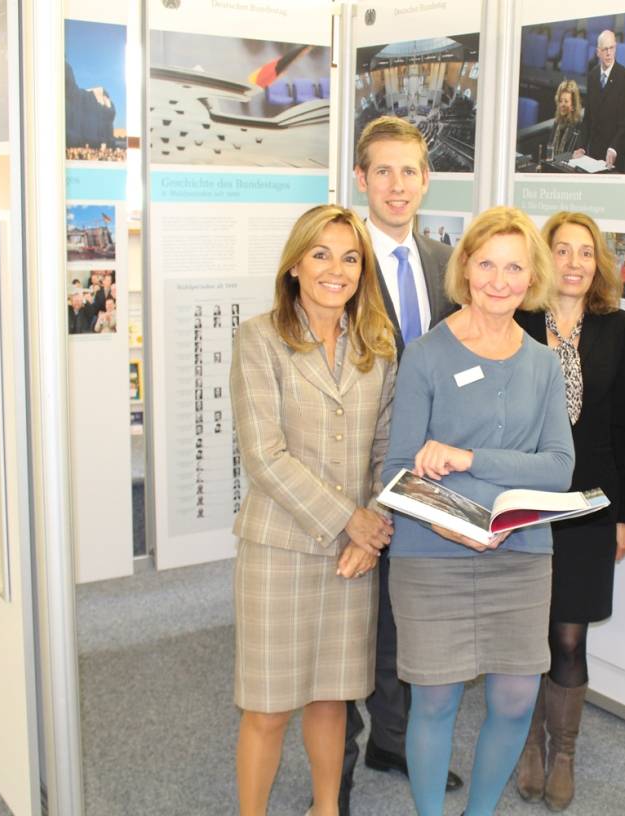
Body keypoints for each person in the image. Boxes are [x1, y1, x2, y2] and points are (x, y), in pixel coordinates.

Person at [384, 206, 575, 816]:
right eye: (487, 263)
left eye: (514, 267)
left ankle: (480, 811)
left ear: (532, 276)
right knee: (435, 701)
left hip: (519, 556)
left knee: (517, 700)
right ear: (464, 269)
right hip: (432, 554)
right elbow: (395, 471)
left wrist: (468, 457)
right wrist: (445, 520)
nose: (500, 280)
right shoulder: (425, 355)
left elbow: (558, 468)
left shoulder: (544, 363)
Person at [228, 204, 398, 816]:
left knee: (332, 701)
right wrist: (351, 519)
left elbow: (387, 451)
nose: (336, 269)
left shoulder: (377, 347)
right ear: (296, 264)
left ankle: (326, 809)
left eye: (350, 257)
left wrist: (372, 528)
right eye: (321, 254)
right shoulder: (259, 339)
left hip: (352, 559)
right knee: (269, 707)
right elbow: (264, 455)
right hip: (279, 551)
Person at [344, 115, 463, 812]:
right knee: (347, 624)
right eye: (382, 171)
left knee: (406, 616)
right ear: (362, 179)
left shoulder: (447, 259)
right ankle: (341, 772)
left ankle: (392, 737)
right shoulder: (339, 257)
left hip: (426, 470)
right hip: (353, 471)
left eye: (409, 172)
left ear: (426, 179)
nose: (397, 185)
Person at [513, 211, 625, 811]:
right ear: (545, 258)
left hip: (591, 507)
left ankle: (562, 751)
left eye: (585, 252)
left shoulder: (619, 330)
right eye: (561, 250)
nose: (574, 263)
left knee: (567, 635)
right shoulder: (516, 321)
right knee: (527, 632)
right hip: (528, 503)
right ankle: (526, 744)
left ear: (599, 263)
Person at [574, 30, 625, 171]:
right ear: (597, 52)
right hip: (593, 155)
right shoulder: (592, 76)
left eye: (611, 48)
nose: (608, 53)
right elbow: (588, 118)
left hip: (614, 154)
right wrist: (581, 146)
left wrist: (614, 148)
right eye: (604, 49)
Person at [547, 80, 585, 158]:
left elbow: (576, 156)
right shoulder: (557, 122)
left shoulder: (578, 126)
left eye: (566, 101)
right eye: (560, 101)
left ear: (573, 105)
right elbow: (549, 149)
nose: (562, 104)